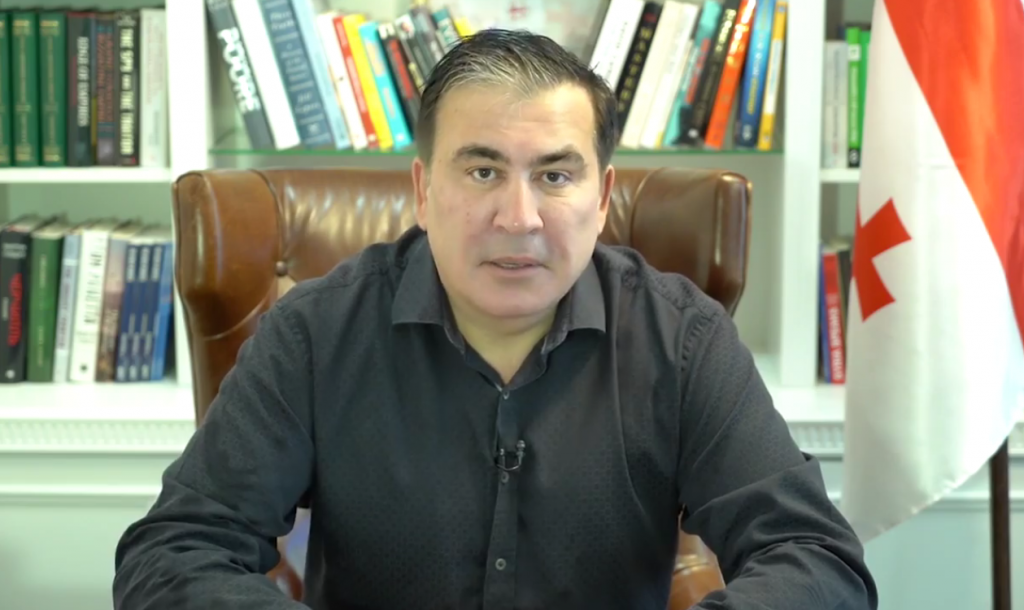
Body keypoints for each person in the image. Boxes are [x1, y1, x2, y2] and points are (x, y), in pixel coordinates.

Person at [112, 28, 878, 610]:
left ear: (601, 197)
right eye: (483, 171)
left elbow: (816, 559)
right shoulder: (316, 333)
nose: (519, 217)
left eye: (555, 175)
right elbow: (173, 553)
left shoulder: (681, 338)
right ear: (423, 190)